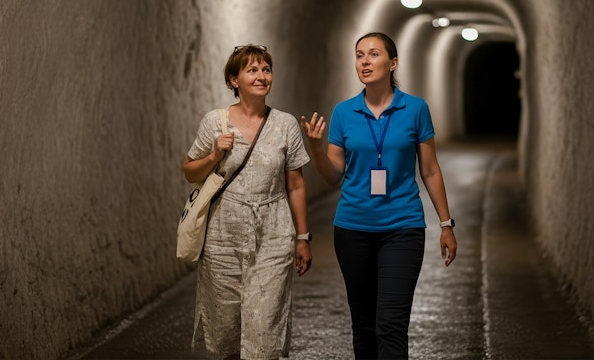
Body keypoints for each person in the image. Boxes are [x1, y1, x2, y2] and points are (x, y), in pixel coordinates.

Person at [300, 32, 457, 360]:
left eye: (373, 54)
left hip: (403, 227)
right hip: (352, 229)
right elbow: (332, 176)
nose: (364, 61)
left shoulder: (415, 109)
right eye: (359, 55)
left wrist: (445, 223)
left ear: (393, 63)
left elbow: (429, 169)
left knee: (391, 325)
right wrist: (316, 149)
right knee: (364, 326)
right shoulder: (344, 112)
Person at [183, 44, 312, 360]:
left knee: (264, 326)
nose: (261, 76)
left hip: (273, 232)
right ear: (233, 80)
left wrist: (303, 237)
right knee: (226, 332)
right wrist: (215, 154)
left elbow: (295, 184)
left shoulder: (285, 124)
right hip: (222, 237)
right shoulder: (216, 122)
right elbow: (189, 171)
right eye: (252, 70)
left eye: (266, 69)